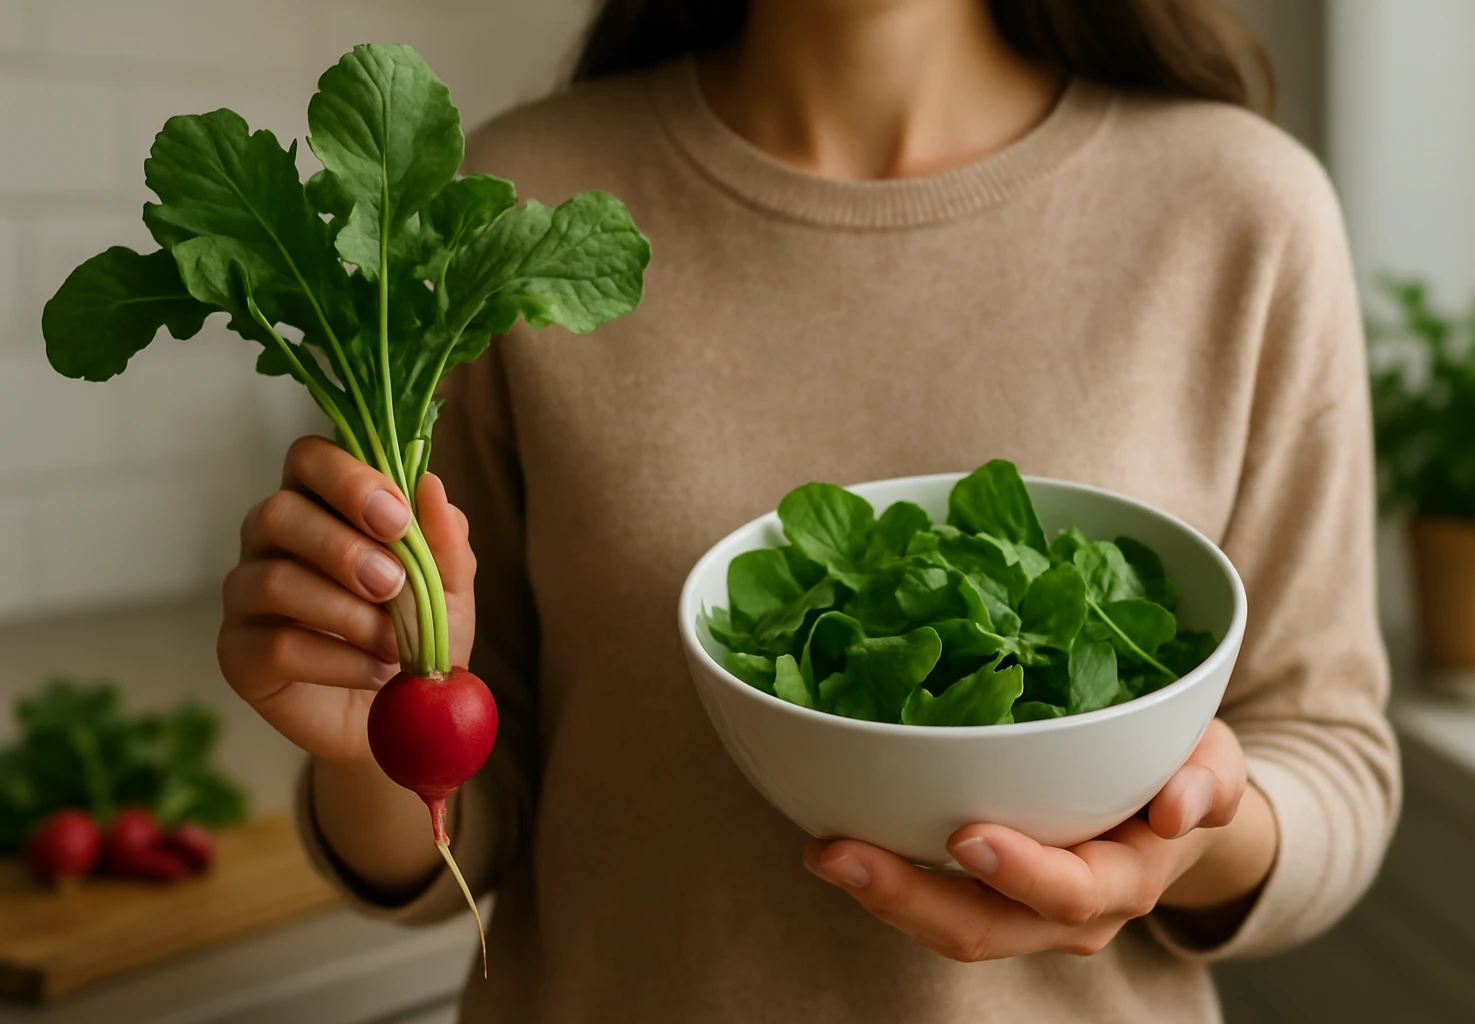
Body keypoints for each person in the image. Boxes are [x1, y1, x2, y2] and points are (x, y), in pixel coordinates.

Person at [216, 1, 1399, 1020]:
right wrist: (381, 720)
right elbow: (464, 825)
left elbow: (1330, 751)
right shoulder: (499, 226)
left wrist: (1193, 835)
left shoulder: (1241, 209)